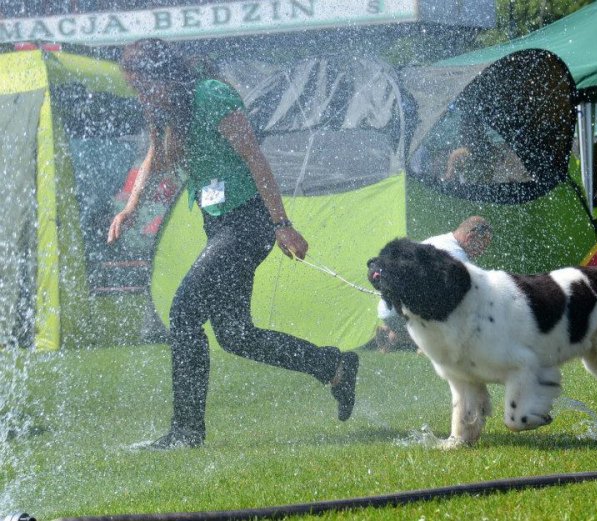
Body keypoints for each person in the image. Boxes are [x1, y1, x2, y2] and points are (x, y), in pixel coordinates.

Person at [107, 39, 358, 450]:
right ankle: (334, 366)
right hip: (218, 222)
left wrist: (282, 224)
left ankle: (186, 433)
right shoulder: (167, 107)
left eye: (142, 85)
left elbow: (256, 159)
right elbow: (156, 153)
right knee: (235, 334)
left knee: (184, 312)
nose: (140, 95)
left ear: (161, 73)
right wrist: (131, 208)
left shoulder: (212, 94)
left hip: (249, 221)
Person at [375, 216, 493, 352]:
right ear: (470, 237)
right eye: (482, 245)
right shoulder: (458, 258)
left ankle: (394, 334)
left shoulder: (438, 240)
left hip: (387, 309)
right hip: (402, 312)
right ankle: (416, 340)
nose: (482, 252)